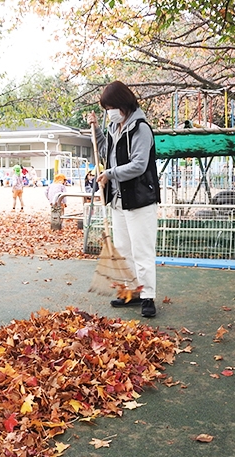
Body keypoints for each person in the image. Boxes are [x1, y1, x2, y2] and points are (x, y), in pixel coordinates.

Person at [87, 80, 160, 318]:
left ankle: (148, 296)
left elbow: (139, 165)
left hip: (139, 200)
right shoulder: (114, 128)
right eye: (106, 109)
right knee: (124, 249)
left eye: (110, 107)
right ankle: (132, 292)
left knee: (142, 251)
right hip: (118, 200)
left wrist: (110, 174)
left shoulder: (141, 129)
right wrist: (96, 128)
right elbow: (105, 150)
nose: (109, 112)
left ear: (122, 104)